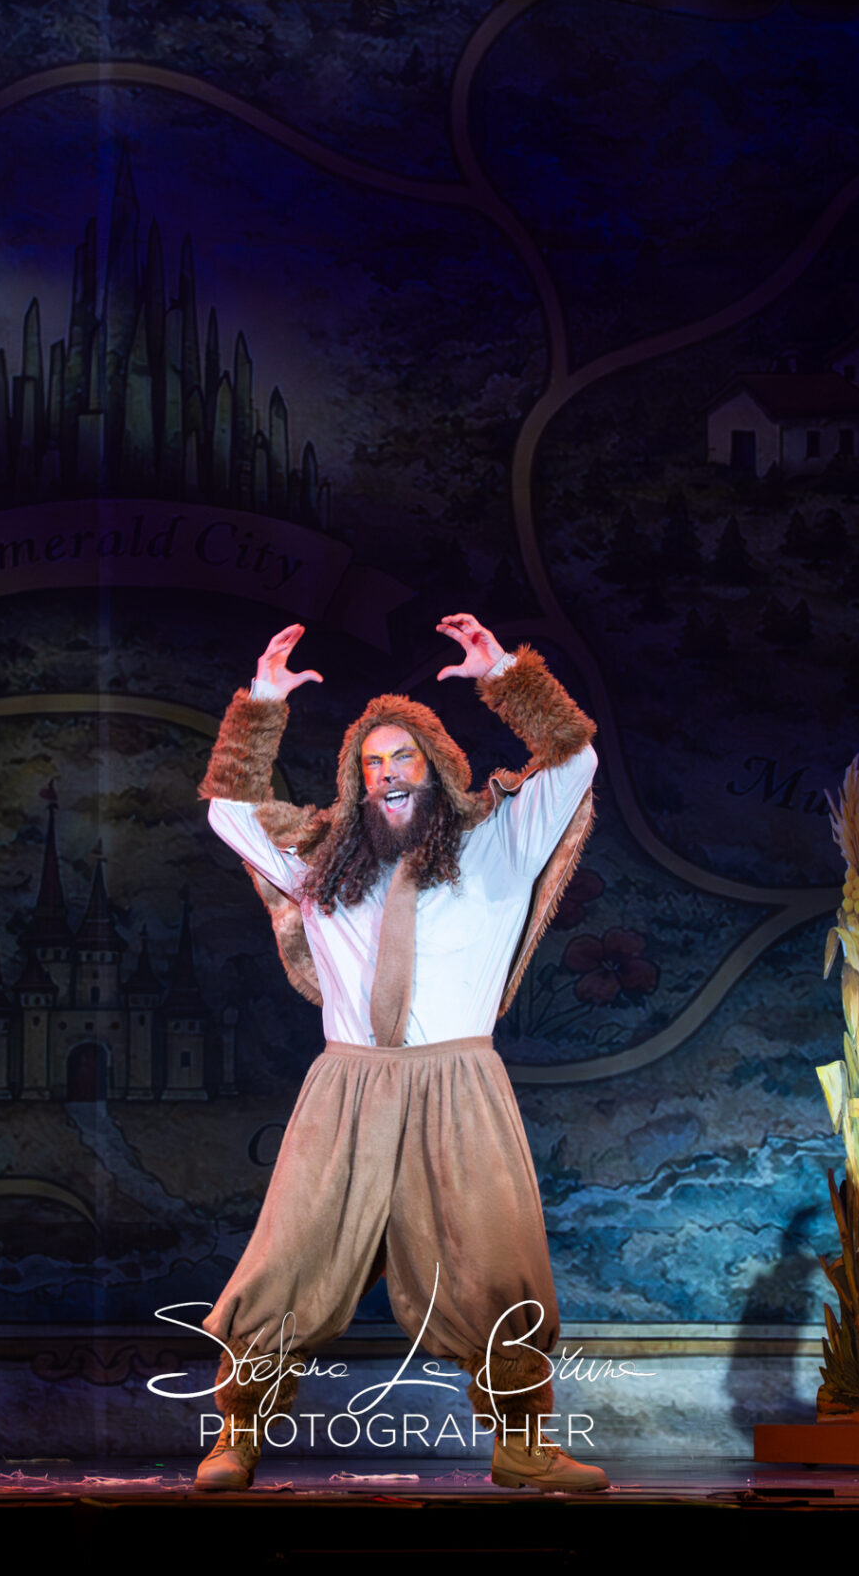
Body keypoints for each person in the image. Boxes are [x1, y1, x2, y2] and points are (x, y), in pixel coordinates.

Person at [192, 612, 605, 1492]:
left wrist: (505, 675)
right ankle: (238, 1432)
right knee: (286, 1258)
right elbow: (229, 810)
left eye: (403, 756)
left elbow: (575, 761)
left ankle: (523, 1444)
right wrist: (261, 702)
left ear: (438, 765)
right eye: (372, 762)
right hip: (348, 1085)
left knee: (497, 1263)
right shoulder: (321, 859)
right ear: (356, 780)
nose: (387, 773)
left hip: (460, 1084)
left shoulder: (500, 841)